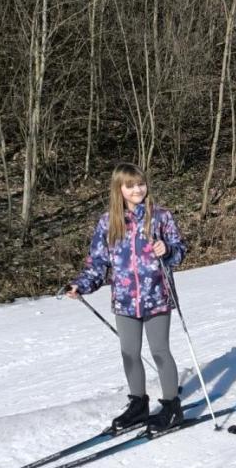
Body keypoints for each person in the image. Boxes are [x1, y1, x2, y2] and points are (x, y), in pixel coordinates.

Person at [67, 163, 187, 433]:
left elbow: (180, 251)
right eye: (130, 185)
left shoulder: (160, 217)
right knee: (129, 353)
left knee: (159, 351)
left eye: (141, 184)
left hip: (157, 295)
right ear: (119, 189)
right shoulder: (108, 222)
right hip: (124, 299)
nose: (137, 190)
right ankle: (138, 405)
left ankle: (171, 407)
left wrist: (166, 249)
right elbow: (97, 263)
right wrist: (81, 285)